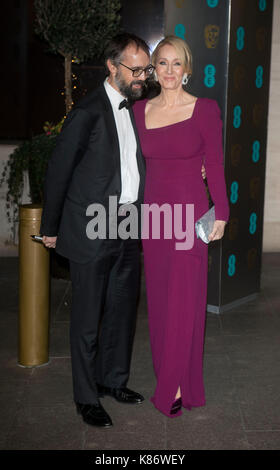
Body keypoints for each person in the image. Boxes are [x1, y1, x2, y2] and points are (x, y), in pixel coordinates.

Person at [40, 33, 154, 427]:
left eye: (146, 68)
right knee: (88, 319)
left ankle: (113, 381)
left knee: (122, 310)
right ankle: (86, 398)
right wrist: (50, 227)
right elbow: (59, 172)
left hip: (127, 222)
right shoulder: (86, 112)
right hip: (92, 227)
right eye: (135, 69)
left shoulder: (137, 110)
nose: (142, 76)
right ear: (112, 66)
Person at [133, 35, 229, 418]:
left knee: (185, 300)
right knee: (159, 300)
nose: (169, 71)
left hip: (191, 216)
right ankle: (178, 380)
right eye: (162, 63)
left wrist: (221, 212)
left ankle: (172, 385)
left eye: (177, 63)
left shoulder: (204, 109)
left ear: (187, 70)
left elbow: (217, 164)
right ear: (153, 69)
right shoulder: (138, 111)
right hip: (154, 217)